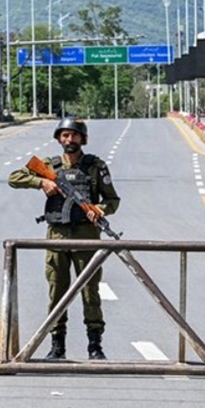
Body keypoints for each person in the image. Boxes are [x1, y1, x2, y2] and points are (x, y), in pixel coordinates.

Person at [7, 118, 120, 360]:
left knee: (90, 291)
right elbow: (14, 178)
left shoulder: (95, 167)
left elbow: (113, 201)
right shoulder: (49, 165)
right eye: (65, 136)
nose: (69, 140)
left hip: (87, 236)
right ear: (59, 138)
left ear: (83, 139)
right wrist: (41, 182)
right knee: (57, 290)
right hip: (57, 235)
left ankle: (95, 345)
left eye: (74, 136)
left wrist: (100, 209)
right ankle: (57, 345)